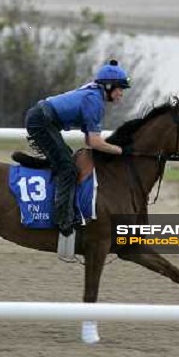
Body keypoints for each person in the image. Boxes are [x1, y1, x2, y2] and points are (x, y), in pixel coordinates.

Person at [24, 59, 131, 236]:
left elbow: (90, 141)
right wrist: (120, 150)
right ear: (109, 86)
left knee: (65, 156)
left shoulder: (94, 94)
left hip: (41, 117)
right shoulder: (94, 101)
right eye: (120, 88)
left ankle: (41, 168)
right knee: (67, 168)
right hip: (41, 120)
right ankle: (63, 220)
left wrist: (113, 148)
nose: (121, 94)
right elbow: (95, 142)